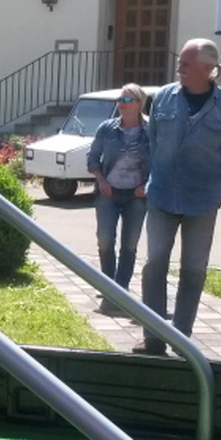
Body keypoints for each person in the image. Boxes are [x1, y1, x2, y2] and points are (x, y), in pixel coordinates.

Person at [133, 39, 221, 356]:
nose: (178, 67)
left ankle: (182, 337)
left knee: (193, 269)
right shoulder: (163, 98)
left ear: (208, 69)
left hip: (202, 201)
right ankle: (153, 338)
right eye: (180, 62)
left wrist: (205, 180)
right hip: (162, 196)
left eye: (186, 63)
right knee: (154, 264)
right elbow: (153, 140)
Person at [87, 83, 150, 315]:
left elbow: (162, 162)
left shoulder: (151, 130)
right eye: (120, 100)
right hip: (109, 193)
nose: (121, 104)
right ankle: (108, 286)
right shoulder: (107, 128)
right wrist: (101, 180)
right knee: (105, 240)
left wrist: (146, 185)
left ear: (139, 104)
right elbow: (93, 158)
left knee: (129, 244)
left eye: (126, 100)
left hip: (137, 195)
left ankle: (120, 289)